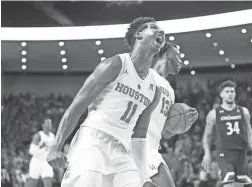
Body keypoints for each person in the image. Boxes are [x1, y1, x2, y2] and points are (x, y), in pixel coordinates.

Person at [47, 17, 165, 187]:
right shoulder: (115, 65)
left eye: (161, 29)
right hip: (93, 141)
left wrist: (145, 176)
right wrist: (55, 147)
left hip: (123, 151)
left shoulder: (155, 88)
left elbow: (139, 136)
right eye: (153, 27)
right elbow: (76, 108)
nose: (160, 31)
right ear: (139, 35)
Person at [131, 42, 198, 187]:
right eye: (178, 56)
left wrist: (184, 125)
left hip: (153, 147)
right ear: (167, 55)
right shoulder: (145, 76)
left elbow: (165, 133)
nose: (181, 60)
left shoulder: (170, 90)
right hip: (137, 144)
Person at [202, 80, 252, 187]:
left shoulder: (244, 111)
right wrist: (207, 153)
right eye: (227, 91)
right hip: (224, 154)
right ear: (221, 94)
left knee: (242, 185)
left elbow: (249, 131)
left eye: (232, 91)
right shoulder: (213, 114)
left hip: (241, 153)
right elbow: (207, 136)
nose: (230, 94)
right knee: (229, 185)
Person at [25, 118, 55, 187]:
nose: (50, 124)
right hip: (37, 161)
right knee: (32, 182)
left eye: (50, 123)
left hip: (47, 162)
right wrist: (40, 147)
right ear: (43, 125)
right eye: (47, 123)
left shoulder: (53, 136)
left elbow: (53, 150)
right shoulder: (38, 135)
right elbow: (31, 151)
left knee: (48, 182)